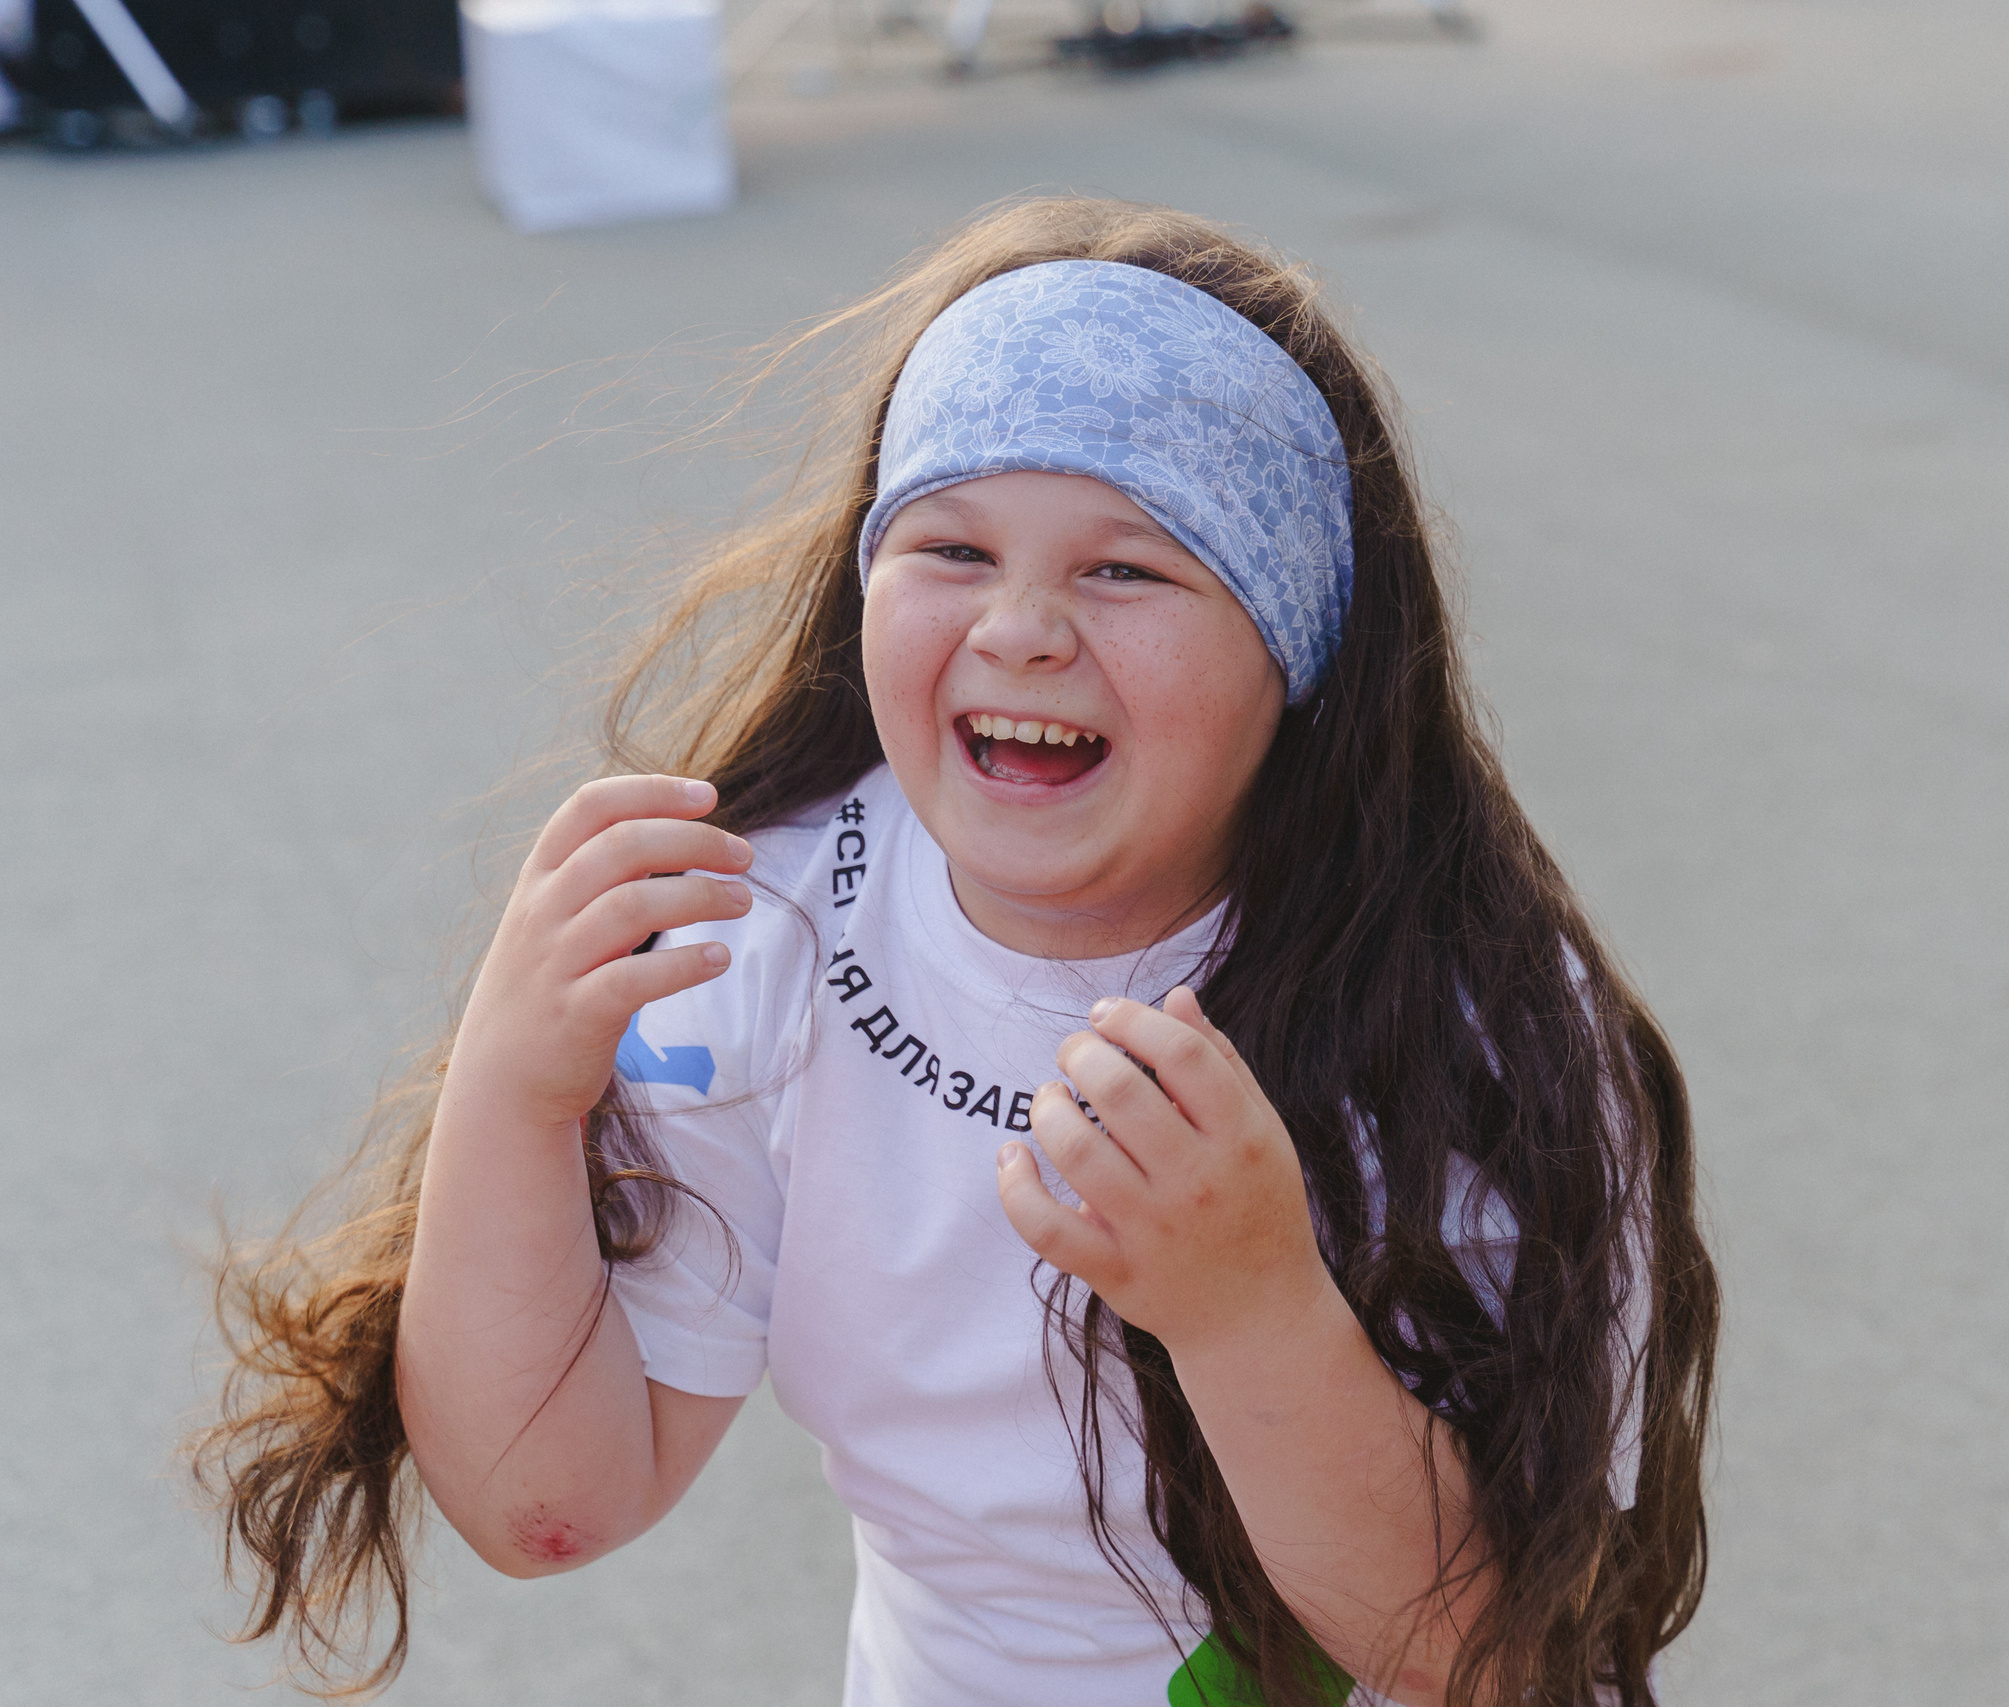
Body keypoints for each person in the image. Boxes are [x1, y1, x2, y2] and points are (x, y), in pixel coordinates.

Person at [197, 197, 1717, 1707]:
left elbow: (1492, 1656)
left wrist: (1253, 1308)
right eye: (951, 545)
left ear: (1299, 648)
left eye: (1131, 568)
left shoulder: (1480, 1022)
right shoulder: (763, 932)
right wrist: (515, 1091)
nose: (1025, 626)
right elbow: (553, 1504)